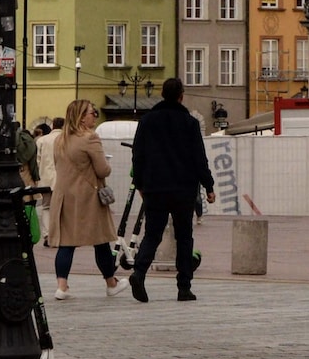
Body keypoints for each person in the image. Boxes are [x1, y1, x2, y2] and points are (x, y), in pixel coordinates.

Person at [129, 78, 216, 302]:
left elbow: (138, 155)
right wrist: (209, 185)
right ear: (181, 96)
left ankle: (139, 273)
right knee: (184, 237)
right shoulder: (189, 123)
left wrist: (139, 183)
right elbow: (199, 158)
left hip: (155, 188)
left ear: (161, 94)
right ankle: (184, 287)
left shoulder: (147, 121)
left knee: (152, 234)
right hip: (183, 189)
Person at [50, 100, 120, 299]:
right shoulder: (90, 138)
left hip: (63, 196)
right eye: (92, 113)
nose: (94, 116)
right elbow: (102, 169)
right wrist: (107, 163)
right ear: (81, 117)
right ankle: (110, 283)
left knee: (66, 244)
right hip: (87, 197)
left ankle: (61, 287)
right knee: (101, 240)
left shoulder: (60, 140)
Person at [34, 117, 63, 246]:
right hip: (62, 179)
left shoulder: (41, 140)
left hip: (45, 179)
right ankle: (58, 234)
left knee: (46, 207)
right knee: (61, 208)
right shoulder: (65, 139)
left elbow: (37, 161)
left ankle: (47, 234)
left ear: (52, 126)